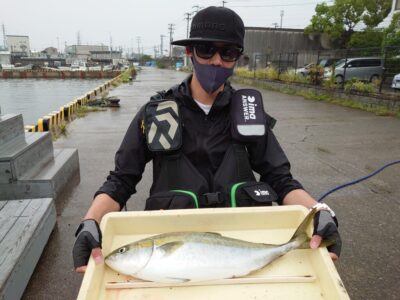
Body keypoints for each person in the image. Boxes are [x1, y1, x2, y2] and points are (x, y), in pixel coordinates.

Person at [73, 6, 341, 273]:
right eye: (206, 50)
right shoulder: (155, 114)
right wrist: (90, 222)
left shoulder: (248, 113)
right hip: (172, 259)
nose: (216, 61)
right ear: (189, 52)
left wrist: (319, 212)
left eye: (228, 53)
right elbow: (122, 179)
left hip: (241, 246)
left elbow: (281, 179)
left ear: (238, 58)